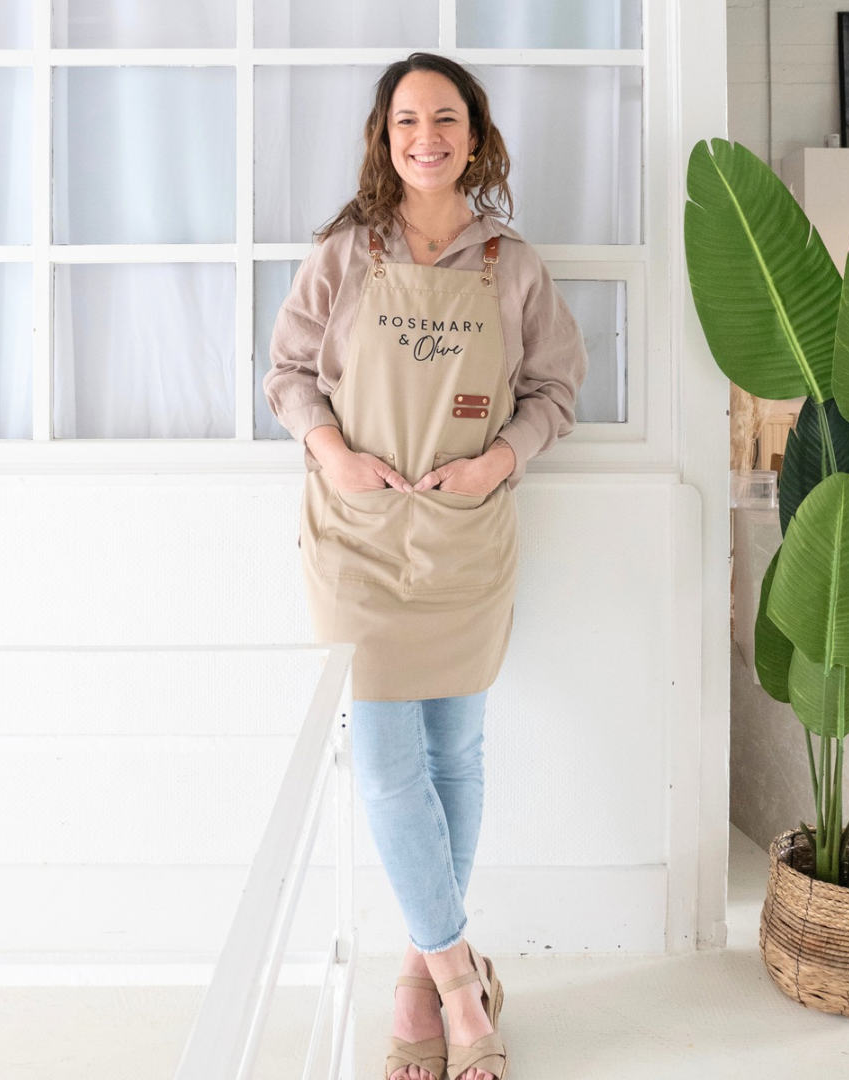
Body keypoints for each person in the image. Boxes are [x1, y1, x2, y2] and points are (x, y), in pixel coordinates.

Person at [264, 52, 587, 1080]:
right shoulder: (345, 256)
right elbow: (287, 376)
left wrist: (498, 460)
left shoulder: (513, 264)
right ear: (385, 136)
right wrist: (334, 453)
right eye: (407, 120)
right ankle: (460, 982)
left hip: (464, 540)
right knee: (390, 767)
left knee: (457, 755)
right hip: (357, 539)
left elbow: (554, 394)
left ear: (476, 134)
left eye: (445, 118)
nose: (426, 138)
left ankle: (413, 972)